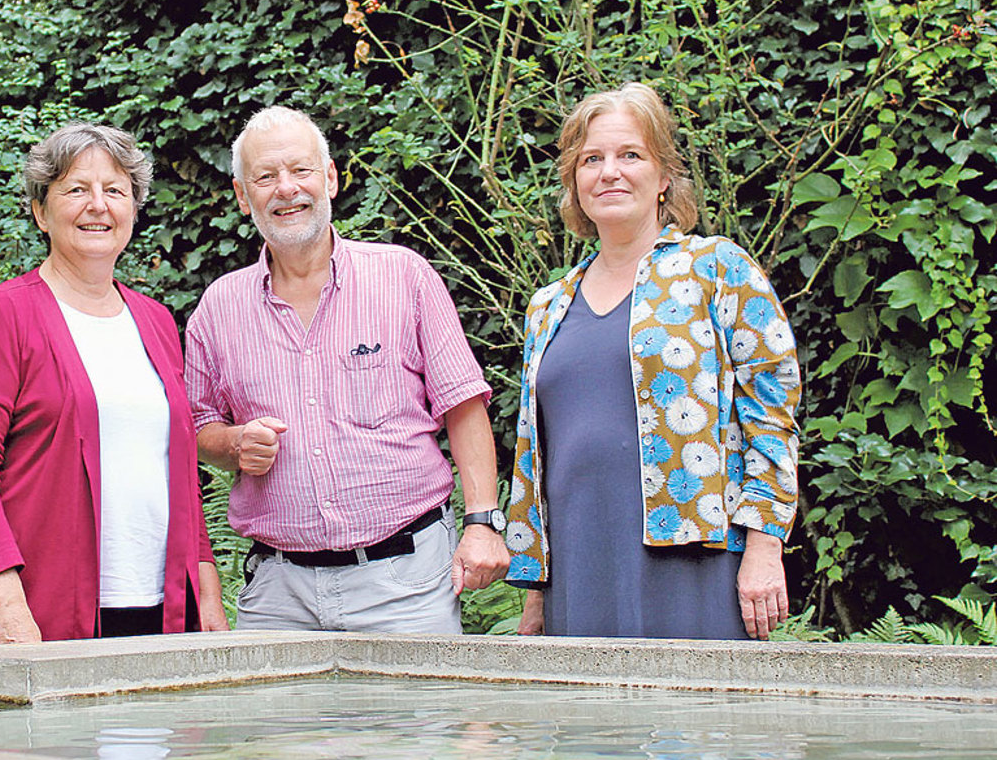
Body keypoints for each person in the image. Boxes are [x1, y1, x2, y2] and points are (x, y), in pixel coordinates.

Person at [184, 106, 509, 633]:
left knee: (422, 697)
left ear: (331, 178)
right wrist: (234, 443)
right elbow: (198, 427)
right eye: (265, 177)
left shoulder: (404, 277)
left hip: (406, 585)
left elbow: (464, 404)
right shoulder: (218, 309)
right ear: (243, 197)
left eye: (301, 170)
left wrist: (482, 522)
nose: (286, 188)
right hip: (278, 594)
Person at [507, 83, 801, 640]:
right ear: (574, 181)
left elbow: (772, 411)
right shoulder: (548, 306)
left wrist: (765, 547)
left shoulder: (717, 268)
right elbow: (535, 453)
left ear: (664, 175)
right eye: (591, 159)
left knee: (694, 699)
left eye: (630, 155)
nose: (609, 172)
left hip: (693, 559)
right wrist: (535, 589)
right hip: (578, 564)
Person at [0, 123, 227, 644]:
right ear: (40, 212)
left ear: (133, 210)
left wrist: (206, 589)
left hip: (166, 610)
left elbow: (181, 473)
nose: (98, 205)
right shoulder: (3, 315)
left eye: (114, 190)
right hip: (44, 611)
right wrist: (5, 603)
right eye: (76, 189)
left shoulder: (157, 322)